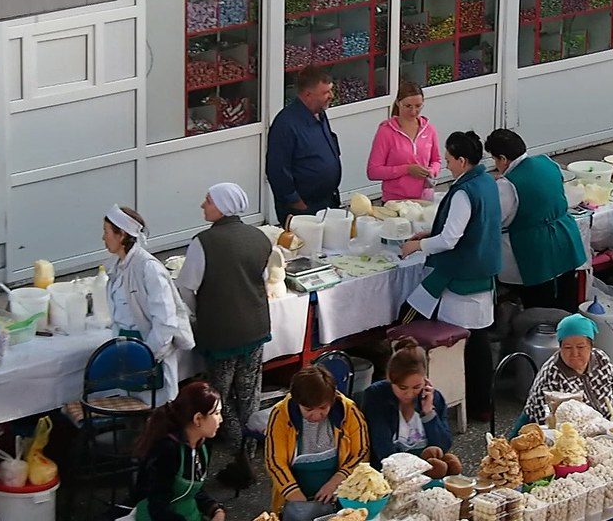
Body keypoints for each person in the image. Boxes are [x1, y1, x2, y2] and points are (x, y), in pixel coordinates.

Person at [400, 131, 501, 420]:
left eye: (448, 160)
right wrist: (432, 233)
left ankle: (442, 400)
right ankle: (484, 404)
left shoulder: (463, 193)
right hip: (483, 272)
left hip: (461, 277)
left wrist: (417, 245)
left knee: (453, 340)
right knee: (479, 343)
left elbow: (451, 239)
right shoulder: (487, 182)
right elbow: (473, 227)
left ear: (462, 160)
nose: (445, 165)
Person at [176, 183, 272, 488]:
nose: (202, 205)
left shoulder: (203, 242)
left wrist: (197, 313)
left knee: (219, 392)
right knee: (249, 391)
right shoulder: (260, 238)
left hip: (220, 331)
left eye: (208, 201)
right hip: (255, 327)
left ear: (222, 206)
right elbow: (264, 279)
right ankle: (249, 446)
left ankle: (234, 444)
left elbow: (186, 288)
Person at [485, 129, 586, 310]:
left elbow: (494, 220)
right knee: (566, 297)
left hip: (534, 250)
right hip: (564, 239)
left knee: (540, 308)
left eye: (494, 160)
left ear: (502, 158)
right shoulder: (546, 162)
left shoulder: (507, 185)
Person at [103, 205, 195, 402]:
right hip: (127, 350)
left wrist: (147, 356)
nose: (103, 237)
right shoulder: (116, 267)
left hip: (150, 352)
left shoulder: (148, 268)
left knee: (155, 413)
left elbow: (165, 321)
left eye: (107, 232)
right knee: (131, 408)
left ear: (121, 236)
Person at [265, 366, 369, 521]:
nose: (316, 415)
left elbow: (361, 452)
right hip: (295, 499)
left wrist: (335, 482)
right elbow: (274, 462)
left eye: (323, 408)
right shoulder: (280, 414)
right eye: (308, 409)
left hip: (339, 497)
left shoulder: (348, 411)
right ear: (296, 401)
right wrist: (298, 500)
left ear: (332, 400)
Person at [128, 381, 225, 521]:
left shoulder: (203, 445)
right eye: (216, 413)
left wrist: (215, 510)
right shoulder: (168, 451)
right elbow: (157, 507)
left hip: (190, 514)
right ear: (198, 419)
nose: (220, 419)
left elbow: (194, 491)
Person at [518, 314, 613, 432]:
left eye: (581, 347)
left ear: (591, 346)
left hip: (612, 427)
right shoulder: (552, 376)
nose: (574, 353)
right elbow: (548, 424)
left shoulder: (601, 360)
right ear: (560, 347)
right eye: (567, 347)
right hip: (573, 435)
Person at [267, 66, 342, 224]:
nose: (331, 96)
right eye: (325, 92)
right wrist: (295, 202)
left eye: (331, 90)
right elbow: (277, 169)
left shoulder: (320, 114)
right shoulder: (286, 124)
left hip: (327, 202)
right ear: (308, 94)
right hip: (303, 208)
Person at [362, 337, 452, 466]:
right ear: (390, 379)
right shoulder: (376, 396)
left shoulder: (433, 397)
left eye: (417, 387)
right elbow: (382, 448)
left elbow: (443, 446)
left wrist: (428, 413)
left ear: (425, 380)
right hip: (391, 469)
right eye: (402, 388)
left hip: (428, 467)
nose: (409, 394)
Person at [366, 81, 442, 202]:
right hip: (395, 201)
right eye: (408, 106)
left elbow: (436, 160)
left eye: (418, 106)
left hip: (424, 199)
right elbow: (373, 171)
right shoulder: (386, 131)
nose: (413, 112)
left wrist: (431, 171)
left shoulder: (429, 129)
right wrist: (407, 169)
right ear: (398, 103)